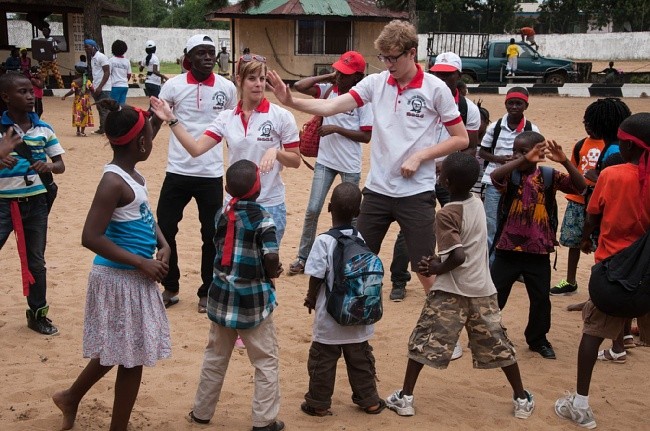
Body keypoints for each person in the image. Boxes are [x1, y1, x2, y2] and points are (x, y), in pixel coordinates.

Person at [267, 20, 469, 297]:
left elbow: (461, 138)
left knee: (424, 268)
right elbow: (331, 104)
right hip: (377, 191)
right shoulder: (376, 83)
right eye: (383, 57)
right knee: (357, 260)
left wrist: (421, 156)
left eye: (393, 57)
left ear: (412, 53)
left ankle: (447, 334)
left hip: (417, 192)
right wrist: (290, 101)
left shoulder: (435, 89)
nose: (387, 64)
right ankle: (351, 323)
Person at [384, 152, 534, 419]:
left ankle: (405, 396)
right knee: (499, 344)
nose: (438, 173)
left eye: (441, 172)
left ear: (447, 181)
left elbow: (457, 255)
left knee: (423, 342)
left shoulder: (447, 214)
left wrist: (435, 268)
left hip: (451, 290)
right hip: (482, 290)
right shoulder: (475, 201)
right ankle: (521, 397)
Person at [52, 99, 171, 431]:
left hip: (134, 277)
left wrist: (163, 243)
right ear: (142, 143)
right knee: (129, 358)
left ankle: (71, 397)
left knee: (121, 351)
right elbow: (90, 236)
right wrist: (140, 263)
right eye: (150, 135)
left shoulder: (133, 175)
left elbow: (146, 215)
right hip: (119, 279)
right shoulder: (113, 182)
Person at [554, 113, 650, 430]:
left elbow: (593, 214)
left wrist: (584, 239)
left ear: (625, 144)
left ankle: (580, 405)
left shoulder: (613, 175)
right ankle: (623, 346)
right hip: (647, 272)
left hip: (614, 268)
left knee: (593, 333)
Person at [151, 53, 300, 246]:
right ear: (239, 80)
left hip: (270, 204)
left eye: (262, 79)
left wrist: (276, 152)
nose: (258, 84)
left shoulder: (281, 116)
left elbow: (295, 160)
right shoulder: (227, 118)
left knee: (266, 267)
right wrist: (172, 119)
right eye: (252, 78)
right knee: (234, 265)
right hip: (235, 206)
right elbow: (196, 149)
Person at [186, 159, 285, 431]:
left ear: (227, 188)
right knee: (265, 361)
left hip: (220, 297)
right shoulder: (263, 218)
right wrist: (273, 270)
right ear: (259, 188)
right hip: (252, 301)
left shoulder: (222, 213)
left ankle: (201, 413)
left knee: (215, 358)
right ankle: (264, 422)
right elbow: (271, 254)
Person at [148, 34, 237, 312]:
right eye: (201, 53)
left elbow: (232, 126)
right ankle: (171, 286)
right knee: (163, 229)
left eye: (211, 52)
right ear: (189, 57)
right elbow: (156, 121)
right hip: (177, 170)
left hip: (210, 174)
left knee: (211, 234)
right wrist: (142, 146)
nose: (208, 57)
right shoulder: (172, 86)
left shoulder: (227, 88)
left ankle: (206, 290)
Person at [387, 51, 482, 305]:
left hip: (448, 175)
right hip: (420, 173)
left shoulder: (468, 109)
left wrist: (447, 166)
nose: (440, 77)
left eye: (447, 74)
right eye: (437, 73)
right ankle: (399, 279)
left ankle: (454, 271)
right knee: (411, 229)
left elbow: (471, 146)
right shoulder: (420, 96)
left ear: (458, 76)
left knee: (458, 223)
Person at [490, 132, 586, 359]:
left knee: (541, 299)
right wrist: (522, 159)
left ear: (540, 153)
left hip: (538, 250)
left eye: (524, 151)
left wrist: (564, 160)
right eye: (516, 151)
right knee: (494, 296)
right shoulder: (510, 175)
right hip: (507, 250)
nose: (519, 155)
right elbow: (494, 176)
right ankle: (487, 333)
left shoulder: (548, 175)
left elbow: (580, 187)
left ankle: (538, 339)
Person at [302, 182, 386, 417]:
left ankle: (318, 404)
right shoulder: (360, 238)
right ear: (358, 213)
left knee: (323, 362)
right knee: (361, 361)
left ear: (329, 208)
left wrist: (310, 298)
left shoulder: (323, 241)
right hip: (359, 315)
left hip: (330, 318)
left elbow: (316, 276)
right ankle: (369, 400)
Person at [287, 51, 372, 276]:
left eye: (345, 74)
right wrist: (326, 78)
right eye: (339, 72)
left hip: (349, 165)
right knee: (313, 209)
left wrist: (336, 128)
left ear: (357, 77)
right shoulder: (329, 90)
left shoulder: (362, 100)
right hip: (326, 161)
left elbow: (366, 137)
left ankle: (349, 257)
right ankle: (303, 257)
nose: (340, 77)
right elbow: (299, 86)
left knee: (351, 215)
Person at [0, 72, 65, 335]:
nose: (30, 96)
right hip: (3, 204)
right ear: (5, 97)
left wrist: (48, 165)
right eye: (23, 92)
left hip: (36, 203)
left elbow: (60, 165)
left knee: (36, 262)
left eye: (31, 91)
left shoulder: (44, 129)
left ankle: (37, 314)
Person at [551, 101, 607, 295]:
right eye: (586, 122)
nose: (588, 126)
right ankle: (570, 281)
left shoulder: (610, 146)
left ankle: (600, 284)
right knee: (574, 242)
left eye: (592, 123)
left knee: (599, 242)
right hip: (577, 200)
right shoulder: (581, 144)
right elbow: (574, 170)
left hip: (598, 202)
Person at [478, 87, 539, 262]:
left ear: (525, 106)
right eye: (510, 103)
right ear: (505, 104)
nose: (514, 107)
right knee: (492, 224)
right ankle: (490, 265)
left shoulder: (532, 129)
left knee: (518, 222)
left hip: (520, 182)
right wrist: (498, 159)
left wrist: (519, 162)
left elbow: (536, 156)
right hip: (493, 180)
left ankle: (512, 263)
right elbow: (483, 152)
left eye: (518, 103)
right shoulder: (495, 127)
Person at [84, 39, 111, 135]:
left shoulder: (101, 57)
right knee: (100, 108)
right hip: (96, 88)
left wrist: (100, 87)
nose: (86, 49)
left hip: (103, 88)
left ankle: (106, 130)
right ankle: (102, 128)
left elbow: (107, 73)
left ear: (93, 47)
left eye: (87, 46)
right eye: (85, 47)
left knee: (104, 109)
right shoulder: (92, 58)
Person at [61, 65, 94, 136]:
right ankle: (82, 131)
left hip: (78, 100)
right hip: (85, 100)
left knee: (77, 114)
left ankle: (78, 131)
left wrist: (65, 96)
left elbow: (72, 91)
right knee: (84, 115)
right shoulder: (88, 81)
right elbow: (92, 89)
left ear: (78, 74)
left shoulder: (75, 82)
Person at [109, 40, 132, 105]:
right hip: (124, 86)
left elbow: (108, 73)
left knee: (113, 106)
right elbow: (129, 74)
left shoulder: (111, 60)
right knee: (121, 105)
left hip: (115, 86)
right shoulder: (127, 61)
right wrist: (124, 81)